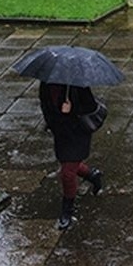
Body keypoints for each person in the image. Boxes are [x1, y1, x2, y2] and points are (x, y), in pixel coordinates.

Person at [39, 81, 103, 230]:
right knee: (68, 165)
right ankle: (93, 175)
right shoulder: (45, 83)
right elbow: (44, 103)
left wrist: (72, 108)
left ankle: (66, 211)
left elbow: (91, 106)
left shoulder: (76, 85)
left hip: (77, 133)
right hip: (60, 133)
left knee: (67, 173)